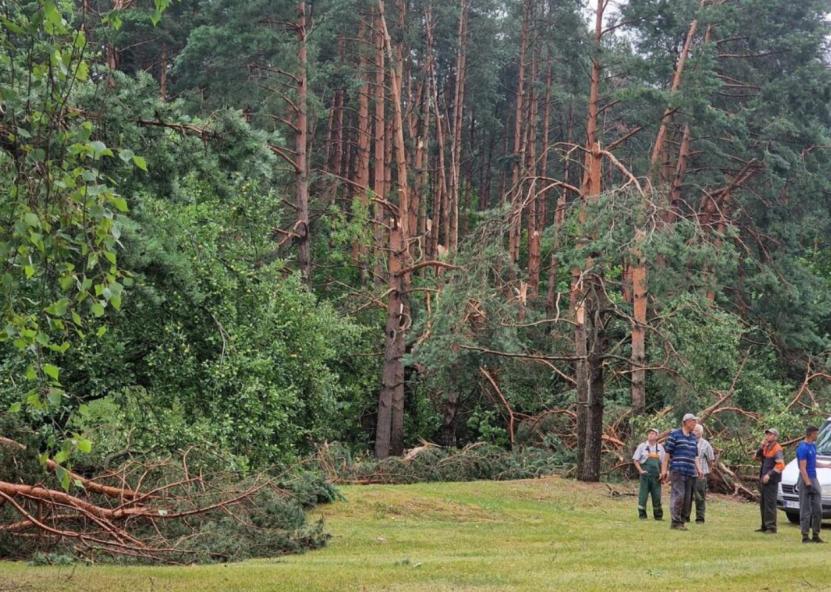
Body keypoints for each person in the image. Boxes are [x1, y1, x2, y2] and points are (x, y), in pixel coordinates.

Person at [661, 413, 702, 530]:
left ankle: (681, 521)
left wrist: (699, 469)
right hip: (677, 470)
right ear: (686, 422)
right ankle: (675, 521)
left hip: (690, 471)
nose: (695, 424)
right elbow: (667, 454)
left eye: (695, 422)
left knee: (687, 498)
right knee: (679, 495)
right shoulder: (675, 435)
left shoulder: (693, 438)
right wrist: (664, 470)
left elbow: (695, 456)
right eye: (693, 421)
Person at [796, 425, 831, 543]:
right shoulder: (802, 448)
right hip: (805, 479)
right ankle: (805, 536)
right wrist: (807, 482)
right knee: (805, 509)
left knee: (818, 509)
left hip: (814, 478)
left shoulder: (813, 446)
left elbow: (813, 462)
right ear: (811, 434)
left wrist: (826, 465)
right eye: (816, 433)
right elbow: (802, 467)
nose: (817, 435)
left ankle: (816, 535)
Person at [754, 428, 784, 534]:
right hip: (763, 480)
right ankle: (764, 526)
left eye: (770, 434)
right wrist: (761, 446)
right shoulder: (766, 447)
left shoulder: (777, 449)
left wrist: (769, 475)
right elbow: (756, 458)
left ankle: (771, 528)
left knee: (770, 504)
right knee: (763, 504)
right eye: (767, 434)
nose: (767, 436)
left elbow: (780, 465)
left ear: (775, 437)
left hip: (771, 481)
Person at [633, 428, 665, 520]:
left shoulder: (660, 448)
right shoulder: (642, 446)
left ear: (657, 436)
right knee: (643, 496)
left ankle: (658, 516)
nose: (650, 435)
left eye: (653, 433)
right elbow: (636, 460)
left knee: (657, 496)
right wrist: (640, 470)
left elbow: (663, 462)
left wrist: (662, 473)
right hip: (645, 476)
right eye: (649, 433)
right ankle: (642, 515)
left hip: (656, 477)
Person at [692, 424, 715, 523]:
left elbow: (711, 459)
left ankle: (700, 518)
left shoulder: (706, 444)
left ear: (701, 432)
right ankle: (685, 517)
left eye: (697, 430)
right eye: (694, 430)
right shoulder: (689, 442)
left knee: (700, 497)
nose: (694, 432)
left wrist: (707, 470)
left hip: (700, 475)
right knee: (687, 496)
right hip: (689, 473)